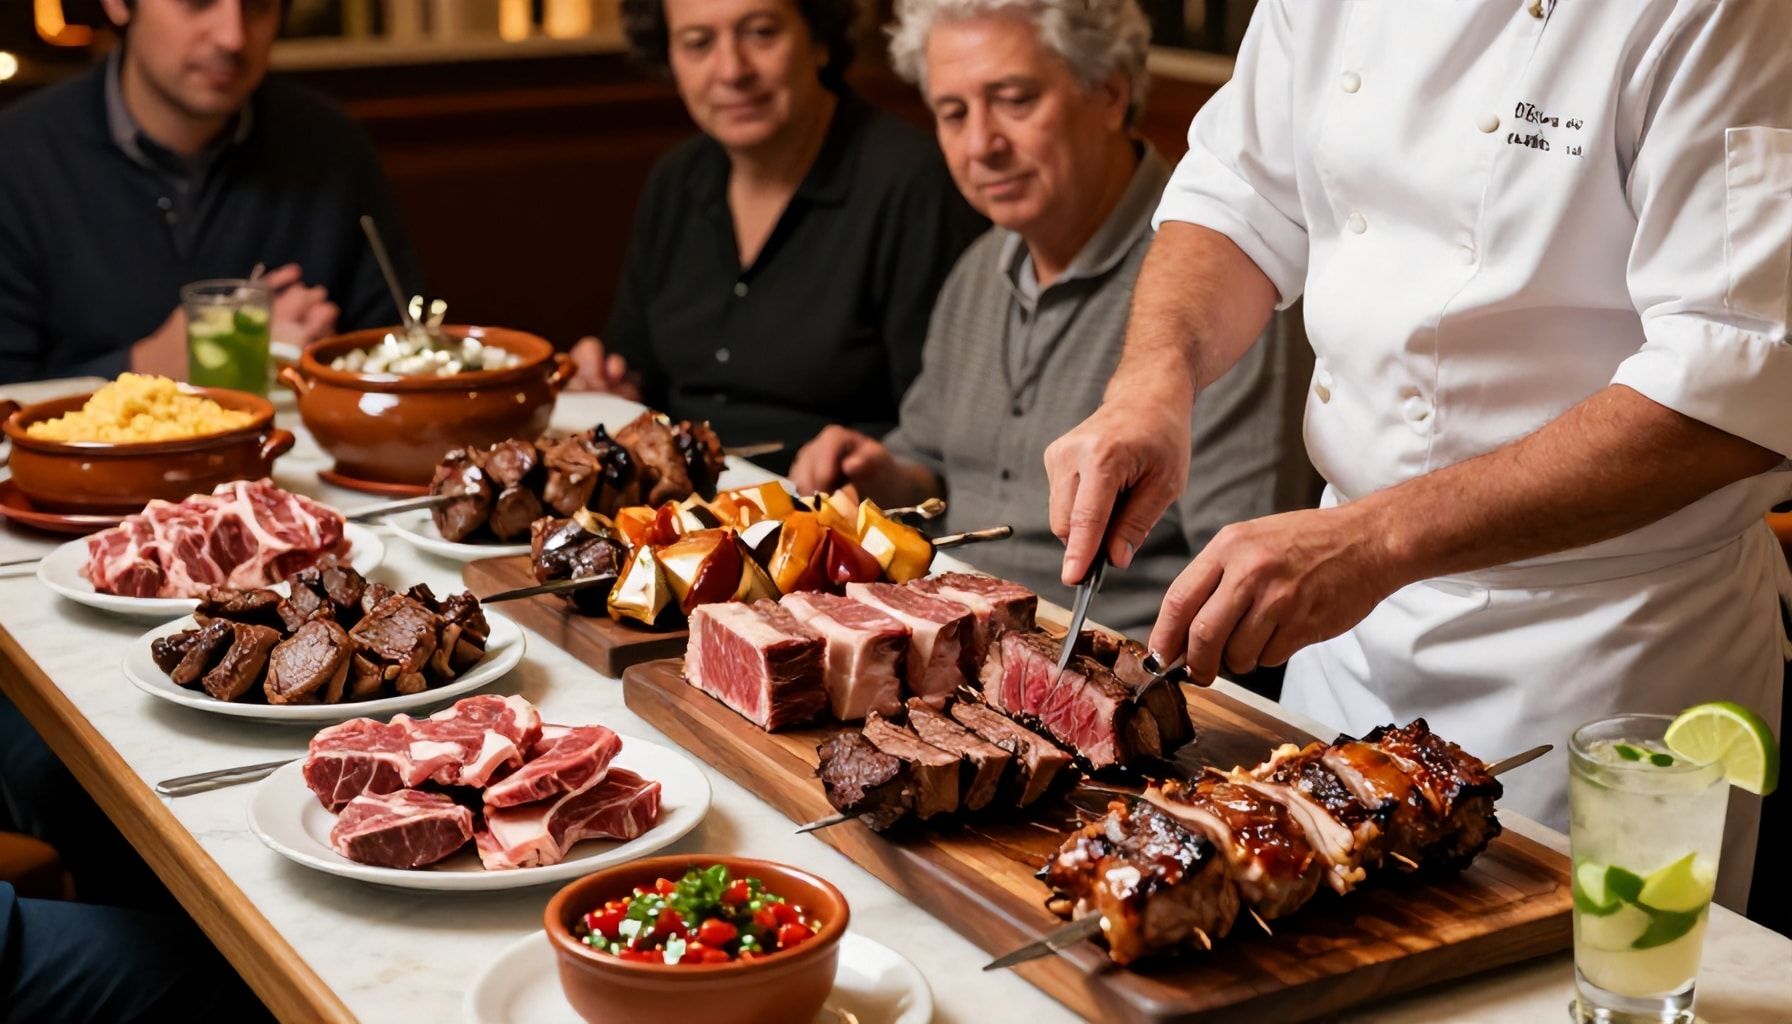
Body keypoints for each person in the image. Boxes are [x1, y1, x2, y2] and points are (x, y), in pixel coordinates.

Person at [1044, 1, 1791, 909]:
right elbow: (1239, 196)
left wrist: (1375, 542)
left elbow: (1730, 387)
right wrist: (1152, 382)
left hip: (1604, 652)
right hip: (1347, 640)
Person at [788, 0, 1315, 641]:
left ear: (1111, 94)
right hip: (955, 637)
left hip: (1112, 661)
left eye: (1015, 100)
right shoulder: (980, 266)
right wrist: (884, 475)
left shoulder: (1225, 289)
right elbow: (930, 457)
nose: (980, 145)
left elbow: (1246, 574)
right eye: (953, 113)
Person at [569, 0, 985, 474]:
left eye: (762, 32)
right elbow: (635, 371)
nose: (732, 70)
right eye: (698, 43)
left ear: (819, 40)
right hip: (678, 499)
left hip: (833, 502)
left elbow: (941, 433)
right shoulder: (676, 181)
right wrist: (607, 382)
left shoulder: (912, 182)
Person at [0, 0, 421, 384]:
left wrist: (327, 363)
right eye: (198, 3)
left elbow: (406, 353)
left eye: (257, 7)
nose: (232, 37)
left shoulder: (329, 145)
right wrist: (148, 367)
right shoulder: (18, 157)